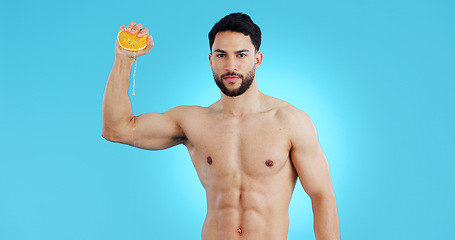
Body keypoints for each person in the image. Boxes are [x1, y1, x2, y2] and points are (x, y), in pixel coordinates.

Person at [102, 12, 340, 240]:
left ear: (257, 60)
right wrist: (123, 59)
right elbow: (117, 129)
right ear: (211, 60)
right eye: (221, 55)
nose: (231, 65)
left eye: (241, 55)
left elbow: (322, 196)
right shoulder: (193, 122)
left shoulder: (290, 122)